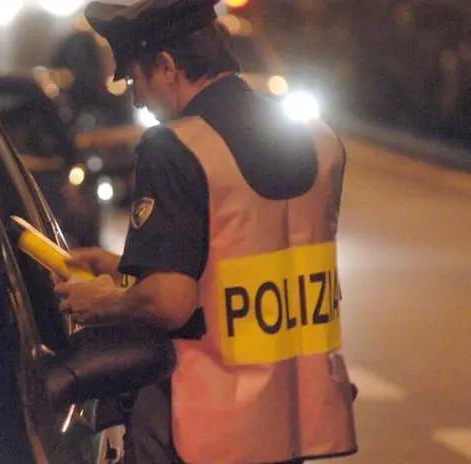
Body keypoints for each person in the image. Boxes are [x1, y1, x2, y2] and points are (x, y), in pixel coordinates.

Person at [54, 1, 358, 463]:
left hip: (207, 427)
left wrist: (104, 300)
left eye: (136, 80)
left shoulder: (176, 147)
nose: (136, 100)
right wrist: (126, 269)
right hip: (295, 419)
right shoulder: (319, 141)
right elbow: (249, 259)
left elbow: (171, 303)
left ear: (167, 66)